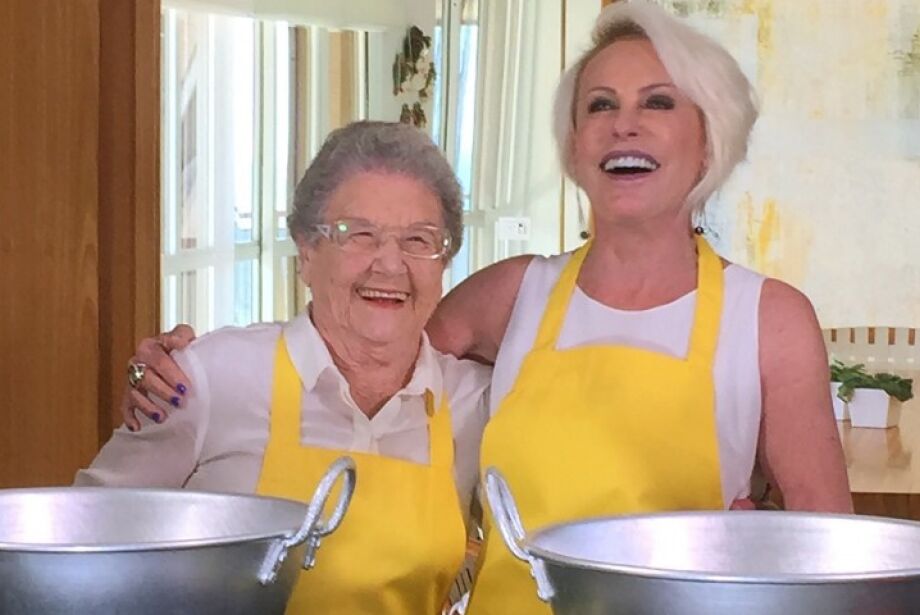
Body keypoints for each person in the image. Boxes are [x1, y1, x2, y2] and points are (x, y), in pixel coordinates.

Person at [121, 2, 853, 613]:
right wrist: (177, 376)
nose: (623, 124)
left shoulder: (770, 320)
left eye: (657, 103)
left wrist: (758, 554)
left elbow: (833, 557)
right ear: (575, 146)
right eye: (600, 105)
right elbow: (367, 365)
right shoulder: (513, 294)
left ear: (709, 141)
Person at [76, 121, 491, 615]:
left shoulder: (475, 404)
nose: (389, 264)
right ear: (306, 252)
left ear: (444, 262)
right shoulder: (211, 378)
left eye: (419, 240)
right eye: (358, 234)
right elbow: (85, 538)